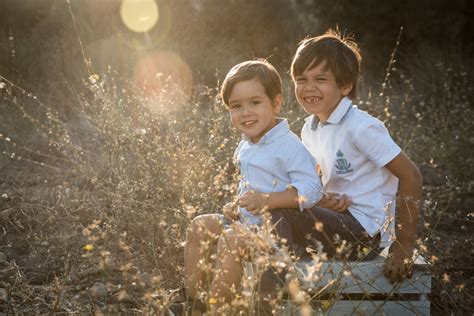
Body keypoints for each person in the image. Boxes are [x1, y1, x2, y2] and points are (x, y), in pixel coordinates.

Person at [259, 28, 423, 311]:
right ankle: (290, 283)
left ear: (345, 85)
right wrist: (325, 199)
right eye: (301, 80)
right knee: (271, 202)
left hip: (363, 233)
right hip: (335, 222)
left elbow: (411, 175)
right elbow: (316, 182)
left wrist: (403, 243)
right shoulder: (309, 128)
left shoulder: (361, 127)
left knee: (278, 209)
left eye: (320, 79)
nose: (309, 88)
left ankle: (276, 301)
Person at [173, 59, 333, 315]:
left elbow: (312, 189)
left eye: (255, 103)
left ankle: (220, 309)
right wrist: (237, 204)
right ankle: (194, 302)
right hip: (247, 224)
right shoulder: (246, 144)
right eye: (236, 106)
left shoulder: (289, 146)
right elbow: (250, 185)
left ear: (276, 103)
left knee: (231, 241)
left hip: (279, 233)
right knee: (200, 225)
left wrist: (267, 200)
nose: (246, 112)